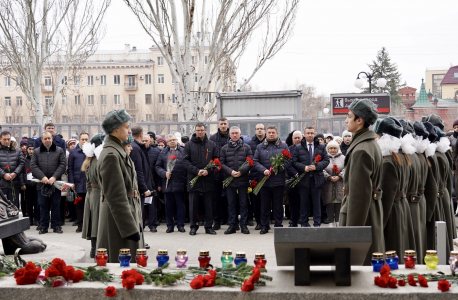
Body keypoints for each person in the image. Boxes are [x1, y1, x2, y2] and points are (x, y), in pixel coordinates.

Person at [339, 99, 383, 265]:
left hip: (358, 215)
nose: (346, 120)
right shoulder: (369, 144)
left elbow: (359, 196)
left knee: (358, 266)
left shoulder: (361, 150)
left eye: (349, 116)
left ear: (360, 120)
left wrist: (352, 235)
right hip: (371, 212)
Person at [97, 109, 144, 263]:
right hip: (119, 222)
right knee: (121, 265)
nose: (129, 130)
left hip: (126, 215)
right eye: (126, 126)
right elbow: (116, 196)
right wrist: (129, 228)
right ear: (116, 129)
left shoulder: (117, 150)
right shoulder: (111, 154)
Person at [374, 117, 412, 264]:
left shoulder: (388, 163)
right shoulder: (402, 158)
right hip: (402, 206)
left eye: (377, 137)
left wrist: (380, 221)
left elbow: (387, 196)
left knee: (392, 247)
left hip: (393, 210)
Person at [253, 125, 294, 234]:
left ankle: (278, 225)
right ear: (266, 133)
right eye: (269, 132)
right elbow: (255, 162)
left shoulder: (283, 146)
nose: (271, 134)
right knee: (264, 205)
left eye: (273, 132)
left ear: (277, 133)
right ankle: (264, 225)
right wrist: (263, 170)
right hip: (264, 181)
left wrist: (278, 168)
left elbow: (289, 161)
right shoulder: (260, 147)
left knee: (278, 205)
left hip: (278, 181)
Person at [183, 122, 218, 236]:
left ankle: (208, 226)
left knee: (209, 204)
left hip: (208, 179)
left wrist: (209, 170)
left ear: (205, 130)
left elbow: (216, 161)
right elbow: (185, 161)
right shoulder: (188, 145)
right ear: (195, 131)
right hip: (194, 178)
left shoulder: (212, 144)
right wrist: (196, 171)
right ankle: (193, 227)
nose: (200, 132)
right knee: (193, 205)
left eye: (202, 130)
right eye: (198, 130)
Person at [292, 127, 330, 227]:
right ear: (304, 134)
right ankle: (304, 223)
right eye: (308, 133)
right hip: (303, 179)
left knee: (316, 202)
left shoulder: (321, 147)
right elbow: (294, 162)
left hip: (316, 179)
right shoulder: (298, 147)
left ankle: (317, 223)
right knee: (304, 202)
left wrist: (316, 167)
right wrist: (303, 167)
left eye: (312, 133)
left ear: (314, 134)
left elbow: (326, 160)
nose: (310, 135)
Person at [30, 131, 66, 234]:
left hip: (55, 183)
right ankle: (44, 226)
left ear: (52, 139)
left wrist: (54, 177)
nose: (47, 140)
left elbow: (62, 165)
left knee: (56, 204)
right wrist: (43, 177)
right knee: (42, 205)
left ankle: (56, 225)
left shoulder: (59, 150)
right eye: (45, 138)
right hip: (42, 183)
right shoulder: (36, 152)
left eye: (49, 138)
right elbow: (33, 166)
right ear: (42, 140)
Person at [219, 126, 253, 235]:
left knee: (243, 204)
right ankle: (232, 225)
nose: (234, 135)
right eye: (232, 133)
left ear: (240, 134)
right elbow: (221, 163)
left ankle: (243, 225)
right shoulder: (224, 148)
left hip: (243, 180)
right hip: (230, 180)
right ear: (229, 135)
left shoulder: (246, 147)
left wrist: (241, 172)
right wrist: (230, 172)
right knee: (231, 204)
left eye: (236, 133)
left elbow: (250, 162)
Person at [155, 133, 187, 233]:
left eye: (174, 139)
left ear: (177, 140)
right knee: (168, 206)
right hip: (167, 184)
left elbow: (187, 165)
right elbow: (157, 167)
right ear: (167, 142)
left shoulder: (183, 151)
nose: (172, 141)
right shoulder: (163, 153)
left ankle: (180, 225)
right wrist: (164, 173)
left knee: (180, 206)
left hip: (180, 182)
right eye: (170, 140)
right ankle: (170, 225)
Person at [81, 134, 105, 258]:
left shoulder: (89, 159)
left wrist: (90, 193)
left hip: (91, 194)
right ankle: (97, 249)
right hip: (99, 193)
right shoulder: (100, 159)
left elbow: (88, 182)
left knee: (93, 221)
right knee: (97, 222)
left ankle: (93, 248)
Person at [130, 126, 155, 239]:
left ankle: (141, 240)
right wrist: (144, 188)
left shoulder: (136, 147)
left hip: (141, 186)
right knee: (139, 215)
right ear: (141, 134)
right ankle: (139, 241)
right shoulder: (135, 148)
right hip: (139, 188)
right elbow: (138, 170)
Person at [210, 117, 229, 230]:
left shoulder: (232, 136)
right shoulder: (212, 138)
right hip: (216, 173)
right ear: (218, 125)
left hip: (229, 172)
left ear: (227, 125)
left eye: (224, 124)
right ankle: (217, 221)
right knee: (216, 198)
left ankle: (228, 219)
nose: (223, 126)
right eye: (221, 124)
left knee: (229, 198)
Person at [68, 132, 90, 233]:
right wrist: (71, 182)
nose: (84, 141)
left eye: (86, 139)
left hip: (89, 182)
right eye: (82, 139)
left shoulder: (91, 151)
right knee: (79, 205)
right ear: (79, 140)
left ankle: (89, 225)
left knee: (89, 205)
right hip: (78, 182)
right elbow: (70, 168)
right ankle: (80, 224)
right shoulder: (73, 152)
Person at [246, 123, 266, 230]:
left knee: (266, 201)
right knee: (256, 201)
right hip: (255, 176)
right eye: (257, 129)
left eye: (261, 129)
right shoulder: (250, 144)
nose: (259, 131)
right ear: (255, 130)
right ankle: (258, 222)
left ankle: (266, 221)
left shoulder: (269, 142)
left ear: (265, 131)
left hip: (267, 176)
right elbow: (249, 161)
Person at [322, 140, 344, 227]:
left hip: (340, 183)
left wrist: (340, 176)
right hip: (328, 184)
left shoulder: (343, 158)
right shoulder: (325, 158)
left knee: (339, 202)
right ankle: (330, 221)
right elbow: (321, 169)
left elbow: (347, 168)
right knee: (329, 203)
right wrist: (328, 177)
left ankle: (339, 221)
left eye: (335, 148)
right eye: (330, 148)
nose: (333, 150)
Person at [0, 131, 25, 210]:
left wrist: (15, 173)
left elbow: (21, 163)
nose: (7, 141)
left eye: (8, 139)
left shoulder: (17, 151)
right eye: (4, 139)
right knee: (2, 207)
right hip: (1, 183)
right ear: (0, 139)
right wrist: (3, 174)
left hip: (14, 183)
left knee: (14, 206)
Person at [145, 132, 162, 232]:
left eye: (147, 140)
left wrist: (159, 183)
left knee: (152, 205)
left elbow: (158, 168)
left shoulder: (156, 151)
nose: (145, 142)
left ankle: (153, 225)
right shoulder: (137, 150)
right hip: (141, 181)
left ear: (151, 140)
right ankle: (141, 225)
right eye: (142, 141)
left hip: (153, 182)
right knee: (142, 206)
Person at [286, 130, 303, 227]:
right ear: (292, 139)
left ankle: (302, 219)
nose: (297, 140)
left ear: (302, 138)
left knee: (303, 200)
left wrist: (301, 173)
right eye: (295, 138)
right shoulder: (289, 149)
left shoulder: (305, 148)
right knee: (293, 201)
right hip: (292, 178)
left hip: (303, 178)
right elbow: (288, 164)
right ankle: (293, 220)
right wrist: (295, 173)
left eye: (299, 138)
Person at [23, 140, 39, 226]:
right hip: (28, 185)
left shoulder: (37, 159)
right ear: (27, 150)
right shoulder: (24, 160)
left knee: (36, 203)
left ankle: (36, 218)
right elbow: (22, 172)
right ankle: (30, 219)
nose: (31, 151)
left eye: (33, 149)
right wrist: (23, 183)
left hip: (36, 184)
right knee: (29, 203)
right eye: (29, 149)